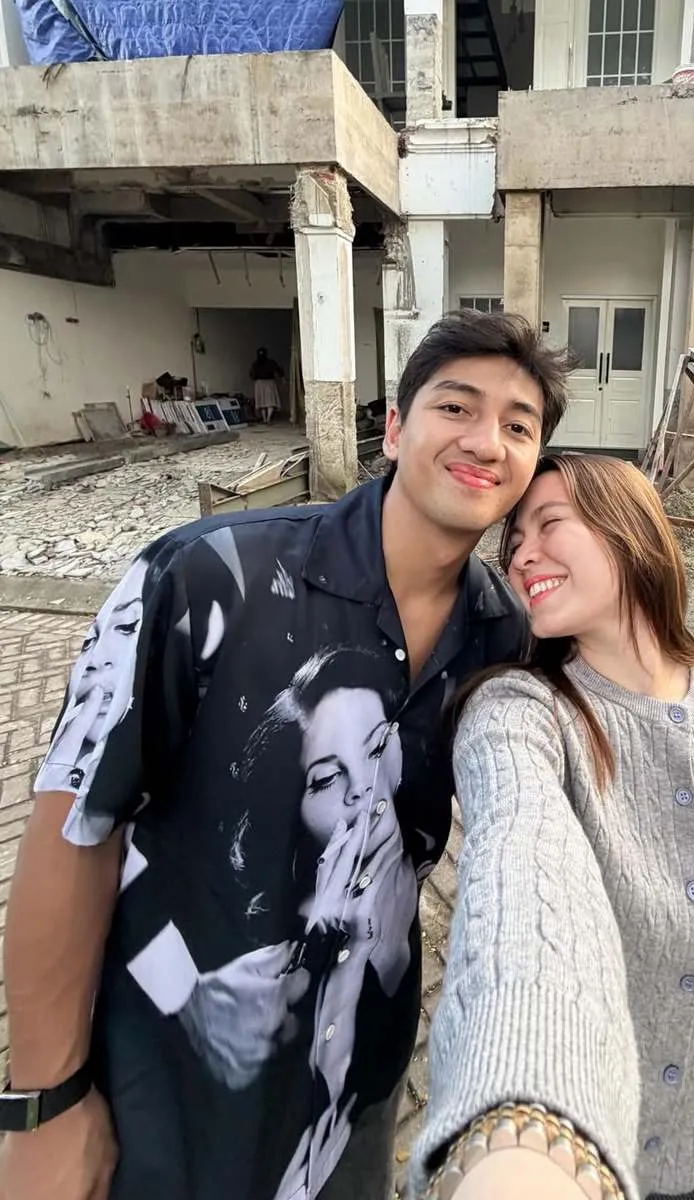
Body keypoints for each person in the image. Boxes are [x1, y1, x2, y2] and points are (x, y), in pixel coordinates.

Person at [0, 310, 572, 1200]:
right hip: (172, 1092)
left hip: (355, 1094)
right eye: (456, 407)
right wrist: (45, 1103)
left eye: (518, 425)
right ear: (394, 428)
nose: (486, 441)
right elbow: (78, 826)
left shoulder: (502, 637)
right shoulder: (205, 579)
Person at [412, 454, 694, 1200]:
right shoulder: (521, 714)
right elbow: (520, 869)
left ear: (630, 531)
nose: (522, 555)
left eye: (549, 524)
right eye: (513, 542)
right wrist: (524, 1142)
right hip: (585, 1155)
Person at [250, 347, 284, 424]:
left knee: (262, 402)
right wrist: (282, 377)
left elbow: (251, 375)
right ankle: (268, 419)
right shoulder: (271, 362)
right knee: (270, 402)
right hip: (269, 383)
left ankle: (265, 419)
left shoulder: (255, 364)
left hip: (259, 384)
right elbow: (278, 371)